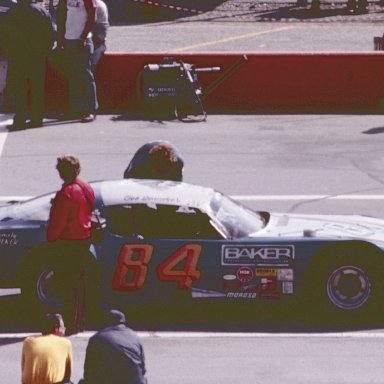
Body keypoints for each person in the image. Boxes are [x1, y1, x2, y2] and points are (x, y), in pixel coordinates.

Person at [47, 154, 95, 335]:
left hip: (69, 242)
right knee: (79, 284)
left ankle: (72, 322)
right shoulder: (86, 187)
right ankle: (79, 321)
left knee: (68, 284)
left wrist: (50, 238)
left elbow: (58, 223)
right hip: (83, 239)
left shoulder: (66, 194)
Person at [0, 0, 55, 131]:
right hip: (37, 56)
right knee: (37, 87)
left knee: (19, 88)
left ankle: (20, 120)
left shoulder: (12, 12)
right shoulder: (41, 11)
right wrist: (45, 51)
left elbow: (4, 35)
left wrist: (8, 51)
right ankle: (37, 119)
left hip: (17, 56)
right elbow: (50, 33)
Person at [56, 0, 98, 123]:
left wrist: (83, 37)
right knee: (72, 76)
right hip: (68, 40)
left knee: (86, 76)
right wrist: (60, 40)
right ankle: (74, 109)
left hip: (82, 41)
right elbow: (62, 16)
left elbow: (92, 18)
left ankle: (91, 109)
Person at [80, 309, 147, 384]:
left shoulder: (96, 338)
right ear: (123, 322)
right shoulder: (135, 337)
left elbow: (88, 370)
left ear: (105, 322)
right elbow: (143, 369)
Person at [22, 313, 73, 384]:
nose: (64, 331)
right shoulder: (66, 343)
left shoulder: (28, 342)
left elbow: (24, 371)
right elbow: (67, 376)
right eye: (63, 328)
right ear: (56, 329)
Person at [91, 0, 109, 72]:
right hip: (74, 41)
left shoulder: (99, 6)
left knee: (90, 66)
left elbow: (101, 35)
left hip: (96, 44)